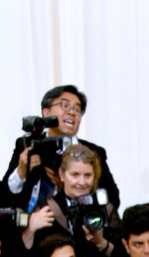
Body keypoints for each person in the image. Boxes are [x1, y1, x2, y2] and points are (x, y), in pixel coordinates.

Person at [1, 84, 119, 212]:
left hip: (73, 227)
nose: (71, 112)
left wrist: (73, 184)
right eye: (64, 105)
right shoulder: (28, 144)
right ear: (46, 113)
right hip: (32, 224)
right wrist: (21, 173)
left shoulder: (92, 152)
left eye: (77, 109)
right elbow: (4, 198)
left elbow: (113, 199)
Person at [20, 143, 119, 257]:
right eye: (75, 175)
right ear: (62, 175)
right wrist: (30, 230)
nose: (82, 182)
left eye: (87, 175)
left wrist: (100, 242)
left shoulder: (106, 209)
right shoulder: (46, 208)